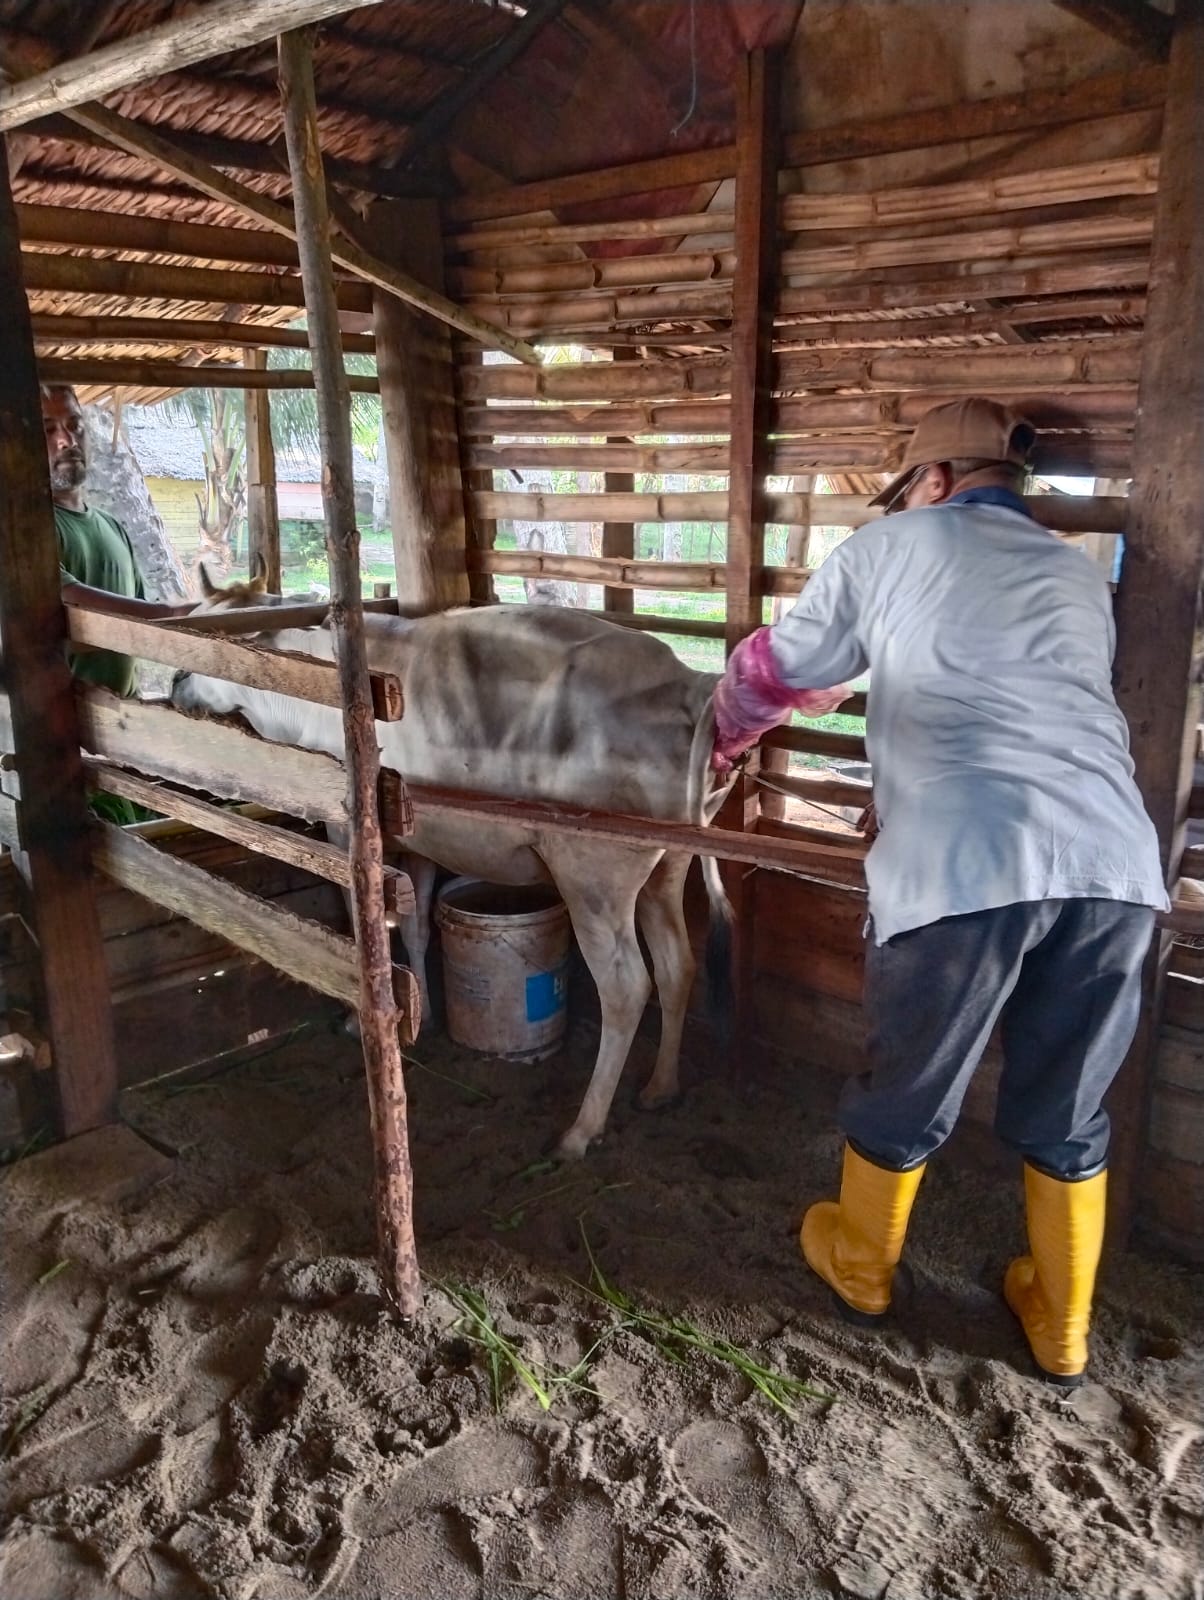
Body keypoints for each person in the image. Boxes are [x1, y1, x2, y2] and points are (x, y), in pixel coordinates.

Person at [711, 397, 1167, 1387]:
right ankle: (1062, 1327)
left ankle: (862, 1268)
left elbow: (781, 669)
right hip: (1114, 868)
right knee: (1069, 1105)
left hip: (963, 859)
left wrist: (722, 735)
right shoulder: (1075, 576)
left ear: (932, 481)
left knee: (909, 1082)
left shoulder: (887, 547)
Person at [42, 382, 192, 696]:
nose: (67, 440)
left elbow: (136, 611)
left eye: (75, 426)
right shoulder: (26, 533)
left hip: (121, 716)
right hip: (60, 721)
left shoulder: (112, 527)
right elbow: (67, 595)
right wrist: (170, 614)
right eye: (48, 430)